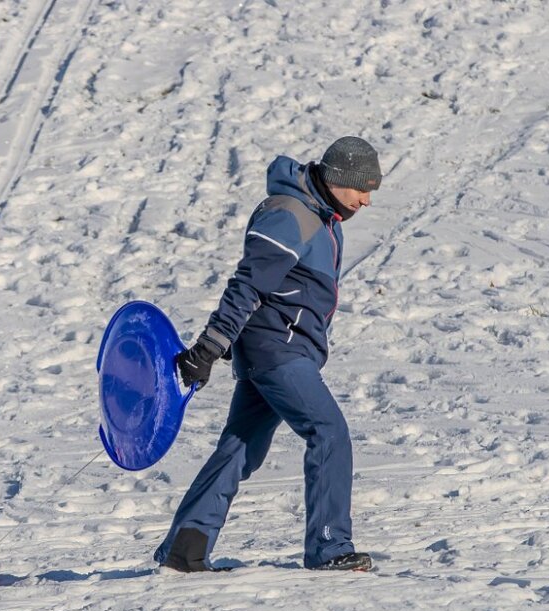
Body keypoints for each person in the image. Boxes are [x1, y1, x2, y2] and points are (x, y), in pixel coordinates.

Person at [154, 137, 382, 572]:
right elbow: (248, 285)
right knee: (328, 430)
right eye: (362, 189)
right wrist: (209, 347)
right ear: (337, 180)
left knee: (241, 447)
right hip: (278, 348)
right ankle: (330, 546)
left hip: (283, 348)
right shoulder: (289, 215)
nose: (367, 200)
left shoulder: (323, 216)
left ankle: (186, 549)